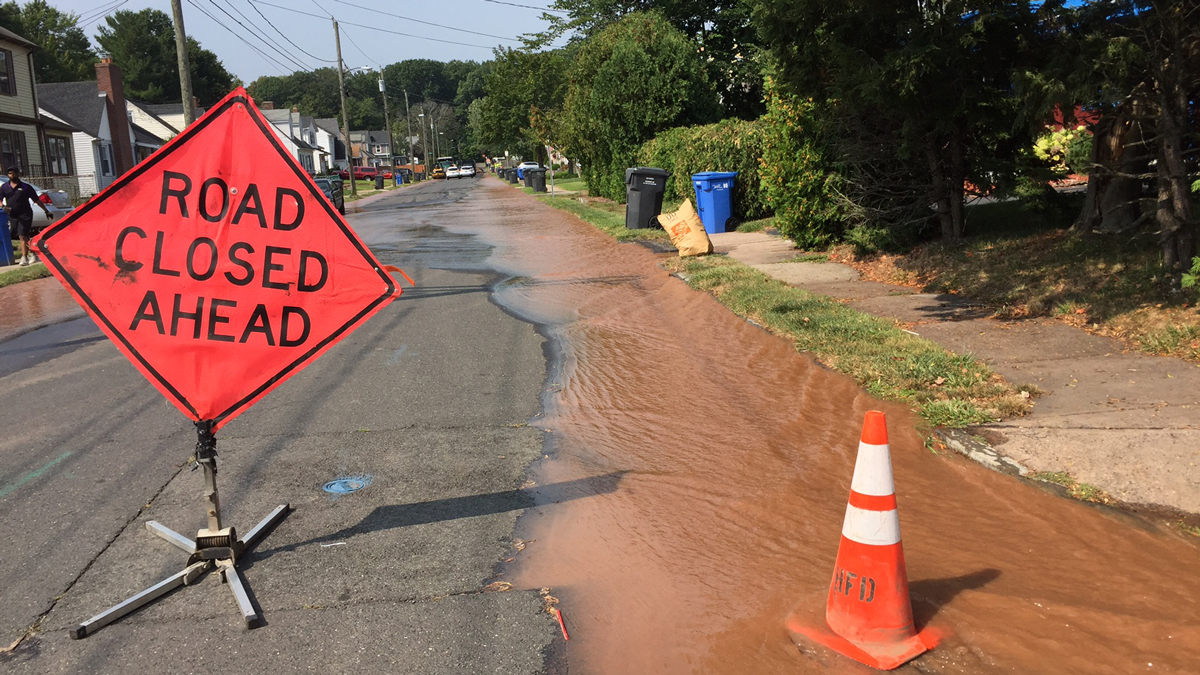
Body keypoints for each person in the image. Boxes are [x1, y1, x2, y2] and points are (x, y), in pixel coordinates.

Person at [2, 166, 52, 266]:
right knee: (22, 235)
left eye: (14, 173)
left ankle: (24, 257)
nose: (12, 175)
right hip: (12, 214)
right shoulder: (4, 187)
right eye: (10, 173)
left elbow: (36, 200)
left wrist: (46, 211)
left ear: (18, 174)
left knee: (22, 235)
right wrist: (3, 206)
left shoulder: (25, 187)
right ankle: (33, 253)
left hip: (25, 213)